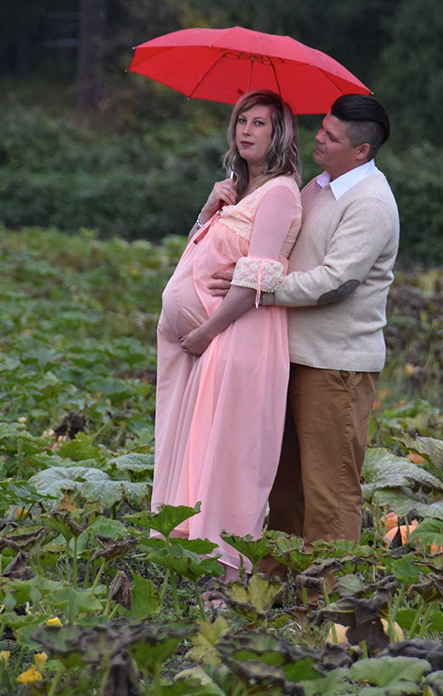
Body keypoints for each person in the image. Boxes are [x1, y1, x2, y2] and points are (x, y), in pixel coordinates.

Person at [210, 93, 399, 567]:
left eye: (331, 136)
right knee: (284, 484)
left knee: (329, 490)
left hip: (335, 365)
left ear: (361, 150)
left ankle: (330, 599)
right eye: (322, 128)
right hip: (291, 355)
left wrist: (257, 289)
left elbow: (336, 282)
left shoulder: (371, 202)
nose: (318, 138)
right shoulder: (319, 186)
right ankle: (276, 585)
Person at [152, 90, 302, 581]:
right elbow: (196, 254)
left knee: (230, 452)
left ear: (278, 135)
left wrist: (205, 332)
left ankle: (227, 575)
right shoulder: (238, 190)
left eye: (259, 123)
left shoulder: (280, 193)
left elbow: (256, 280)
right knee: (203, 445)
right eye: (242, 120)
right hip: (214, 339)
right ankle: (196, 564)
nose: (246, 130)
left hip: (240, 334)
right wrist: (208, 208)